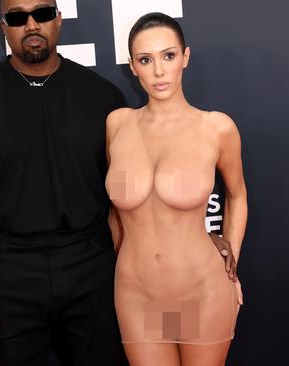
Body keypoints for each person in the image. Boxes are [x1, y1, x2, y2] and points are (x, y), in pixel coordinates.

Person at [0, 0, 127, 365]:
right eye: (18, 17)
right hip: (8, 275)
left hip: (91, 266)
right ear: (3, 26)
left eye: (43, 14)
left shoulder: (103, 97)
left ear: (59, 20)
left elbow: (129, 200)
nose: (31, 25)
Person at [106, 13, 247, 366]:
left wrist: (232, 265)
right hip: (137, 296)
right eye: (145, 60)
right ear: (132, 66)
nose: (158, 71)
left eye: (168, 56)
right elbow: (116, 212)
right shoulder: (117, 124)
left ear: (185, 57)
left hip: (200, 291)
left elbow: (238, 196)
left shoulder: (216, 128)